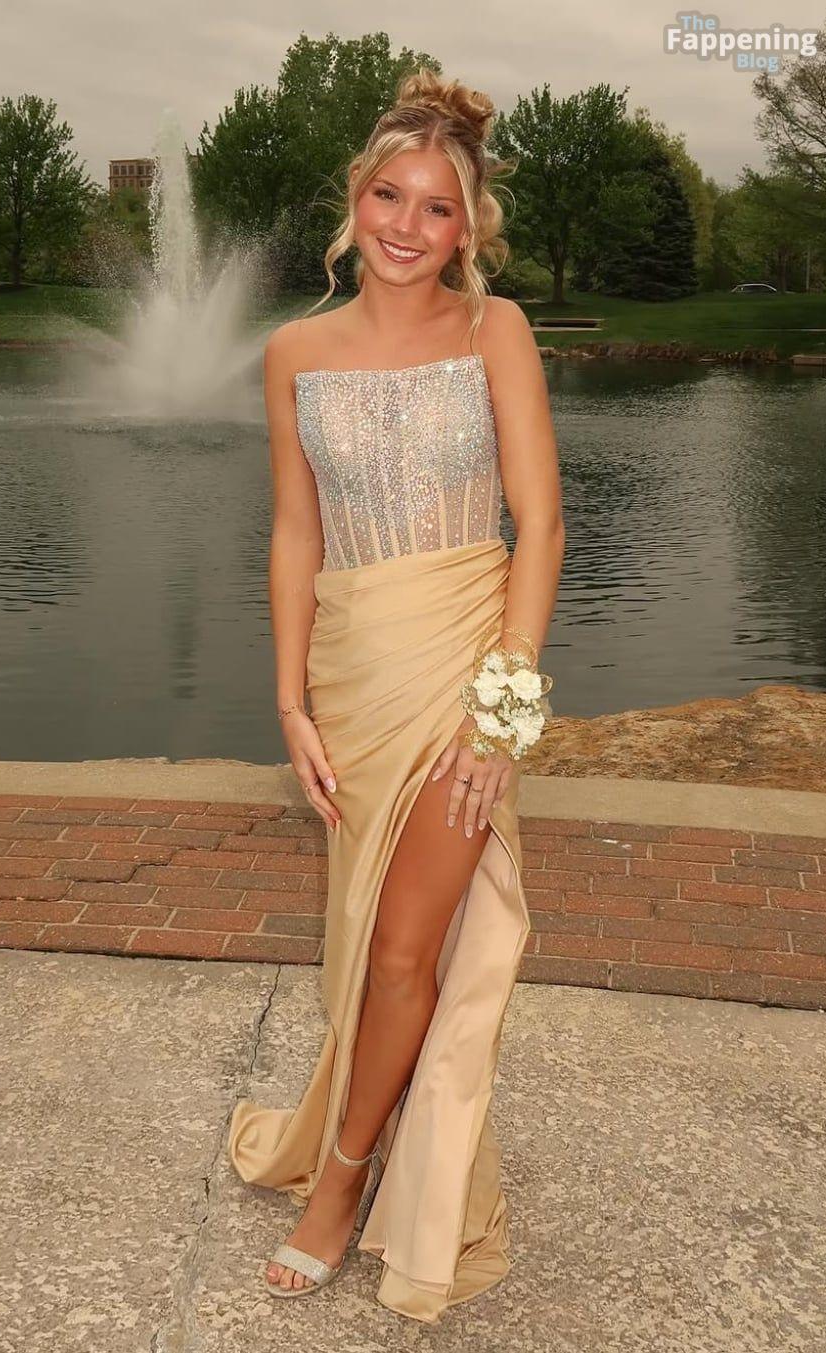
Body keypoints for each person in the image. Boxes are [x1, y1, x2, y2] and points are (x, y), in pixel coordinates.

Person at [228, 65, 564, 1324]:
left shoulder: (494, 331)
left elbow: (539, 527)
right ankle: (363, 1138)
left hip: (465, 672)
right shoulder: (292, 351)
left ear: (467, 227)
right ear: (354, 199)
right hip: (351, 679)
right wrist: (289, 705)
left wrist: (502, 716)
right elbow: (293, 534)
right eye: (389, 196)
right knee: (361, 939)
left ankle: (344, 1183)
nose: (407, 226)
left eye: (436, 207)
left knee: (409, 947)